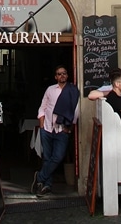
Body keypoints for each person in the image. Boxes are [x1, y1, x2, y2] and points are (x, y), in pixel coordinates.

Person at [31, 65, 79, 198]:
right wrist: (41, 121)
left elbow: (76, 110)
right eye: (59, 74)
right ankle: (46, 186)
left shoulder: (73, 91)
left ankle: (40, 177)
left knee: (57, 157)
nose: (62, 76)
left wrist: (70, 127)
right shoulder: (50, 90)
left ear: (67, 75)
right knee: (47, 158)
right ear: (55, 77)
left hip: (62, 129)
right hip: (47, 127)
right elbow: (43, 106)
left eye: (64, 73)